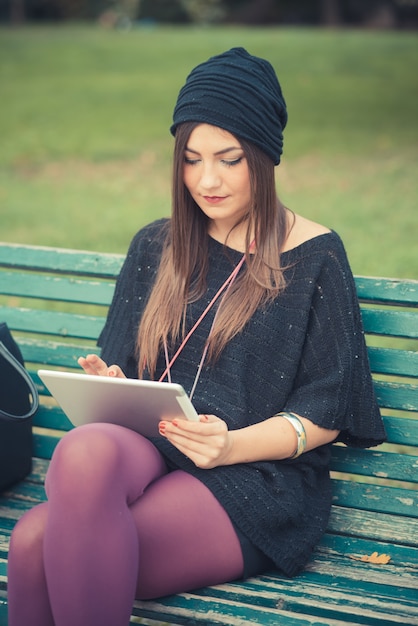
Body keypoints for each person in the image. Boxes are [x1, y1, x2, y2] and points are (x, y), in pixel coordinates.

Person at [7, 47, 386, 626]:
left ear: (264, 156)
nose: (207, 180)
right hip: (157, 445)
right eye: (191, 159)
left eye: (229, 159)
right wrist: (114, 386)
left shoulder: (314, 257)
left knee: (35, 545)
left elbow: (328, 410)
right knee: (82, 450)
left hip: (253, 476)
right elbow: (128, 368)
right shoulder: (157, 246)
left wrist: (230, 445)